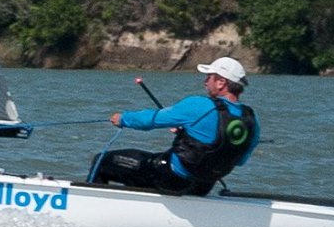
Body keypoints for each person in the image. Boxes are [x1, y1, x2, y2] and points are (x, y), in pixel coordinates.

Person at [88, 57, 259, 196]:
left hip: (169, 178)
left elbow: (151, 120)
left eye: (209, 77)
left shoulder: (200, 105)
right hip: (203, 187)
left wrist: (123, 118)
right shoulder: (251, 119)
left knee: (101, 160)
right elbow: (239, 160)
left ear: (221, 82)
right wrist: (189, 136)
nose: (205, 82)